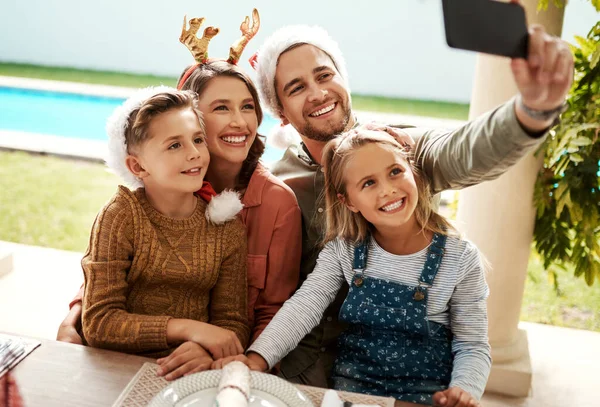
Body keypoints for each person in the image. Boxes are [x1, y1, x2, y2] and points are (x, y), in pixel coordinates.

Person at [248, 18, 573, 387]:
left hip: (410, 378)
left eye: (325, 75)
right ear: (281, 113)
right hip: (304, 371)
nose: (318, 93)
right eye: (297, 87)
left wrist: (530, 112)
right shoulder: (281, 183)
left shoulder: (398, 150)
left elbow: (467, 150)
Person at [57, 9, 302, 381]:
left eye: (248, 107)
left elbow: (253, 316)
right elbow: (104, 294)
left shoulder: (250, 214)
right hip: (118, 359)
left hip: (211, 365)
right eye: (221, 108)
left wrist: (218, 352)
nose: (239, 121)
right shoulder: (131, 207)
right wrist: (73, 317)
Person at [219, 128, 491, 406]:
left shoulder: (460, 258)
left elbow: (473, 344)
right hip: (353, 395)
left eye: (395, 171)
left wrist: (463, 390)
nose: (388, 189)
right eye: (368, 183)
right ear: (348, 201)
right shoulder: (344, 250)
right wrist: (257, 359)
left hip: (426, 398)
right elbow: (304, 306)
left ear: (412, 171)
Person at [80, 87, 250, 359]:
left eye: (197, 139)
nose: (195, 153)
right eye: (174, 145)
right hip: (118, 365)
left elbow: (233, 322)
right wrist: (187, 330)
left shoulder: (226, 228)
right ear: (138, 167)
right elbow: (98, 322)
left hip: (190, 370)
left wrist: (202, 349)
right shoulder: (121, 217)